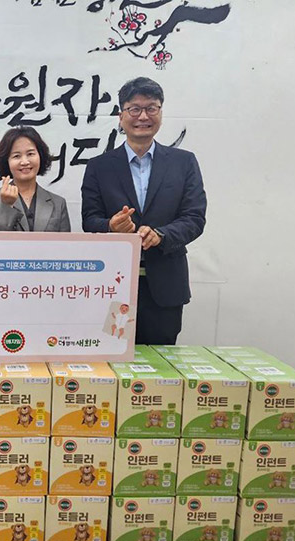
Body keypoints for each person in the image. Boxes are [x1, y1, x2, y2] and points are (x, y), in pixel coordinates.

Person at [81, 77, 206, 345]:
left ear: (160, 113)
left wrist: (162, 234)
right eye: (134, 109)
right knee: (114, 353)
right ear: (121, 116)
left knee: (160, 360)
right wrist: (111, 227)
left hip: (165, 286)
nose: (143, 116)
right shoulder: (99, 167)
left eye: (151, 108)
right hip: (114, 286)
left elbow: (194, 218)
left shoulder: (183, 163)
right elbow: (89, 220)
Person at [0, 126, 71, 232]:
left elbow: (65, 242)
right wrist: (7, 206)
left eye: (30, 154)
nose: (25, 162)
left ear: (40, 156)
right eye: (16, 156)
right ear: (6, 161)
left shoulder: (58, 203)